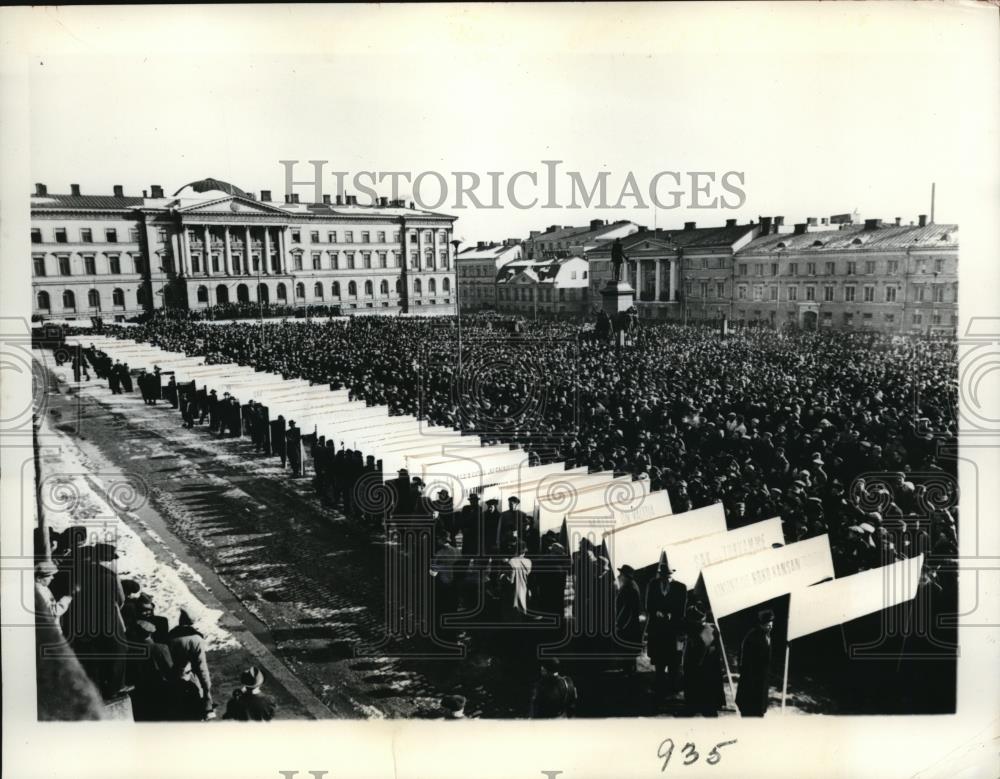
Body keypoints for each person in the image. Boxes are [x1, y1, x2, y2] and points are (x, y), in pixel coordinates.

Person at [644, 551, 687, 697]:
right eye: (663, 575)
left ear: (672, 574)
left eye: (668, 576)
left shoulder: (681, 588)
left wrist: (671, 615)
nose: (665, 578)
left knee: (673, 660)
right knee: (659, 659)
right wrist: (656, 612)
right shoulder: (653, 584)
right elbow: (648, 605)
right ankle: (660, 684)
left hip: (672, 630)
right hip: (657, 629)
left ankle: (673, 686)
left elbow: (681, 609)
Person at [168, 606, 215, 720]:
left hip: (175, 676)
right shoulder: (196, 639)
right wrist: (207, 689)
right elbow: (201, 667)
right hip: (190, 677)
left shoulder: (171, 636)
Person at [682, 606, 726, 717]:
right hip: (702, 666)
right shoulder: (707, 629)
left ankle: (698, 706)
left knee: (703, 687)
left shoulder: (706, 631)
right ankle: (698, 705)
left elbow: (703, 652)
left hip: (704, 667)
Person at [127, 620, 174, 721]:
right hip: (161, 687)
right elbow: (170, 670)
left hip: (142, 690)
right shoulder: (161, 648)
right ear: (151, 633)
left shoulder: (133, 651)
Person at [735, 608, 776, 717]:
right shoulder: (752, 636)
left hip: (762, 677)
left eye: (771, 625)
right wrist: (747, 673)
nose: (770, 627)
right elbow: (742, 657)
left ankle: (759, 712)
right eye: (768, 625)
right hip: (751, 678)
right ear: (761, 624)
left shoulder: (766, 634)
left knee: (759, 704)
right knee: (750, 707)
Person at [614, 564, 644, 673]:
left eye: (620, 574)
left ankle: (629, 674)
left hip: (629, 626)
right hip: (629, 625)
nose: (619, 576)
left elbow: (628, 611)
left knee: (628, 651)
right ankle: (629, 672)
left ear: (625, 576)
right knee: (628, 652)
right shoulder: (629, 586)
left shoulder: (630, 588)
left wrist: (620, 625)